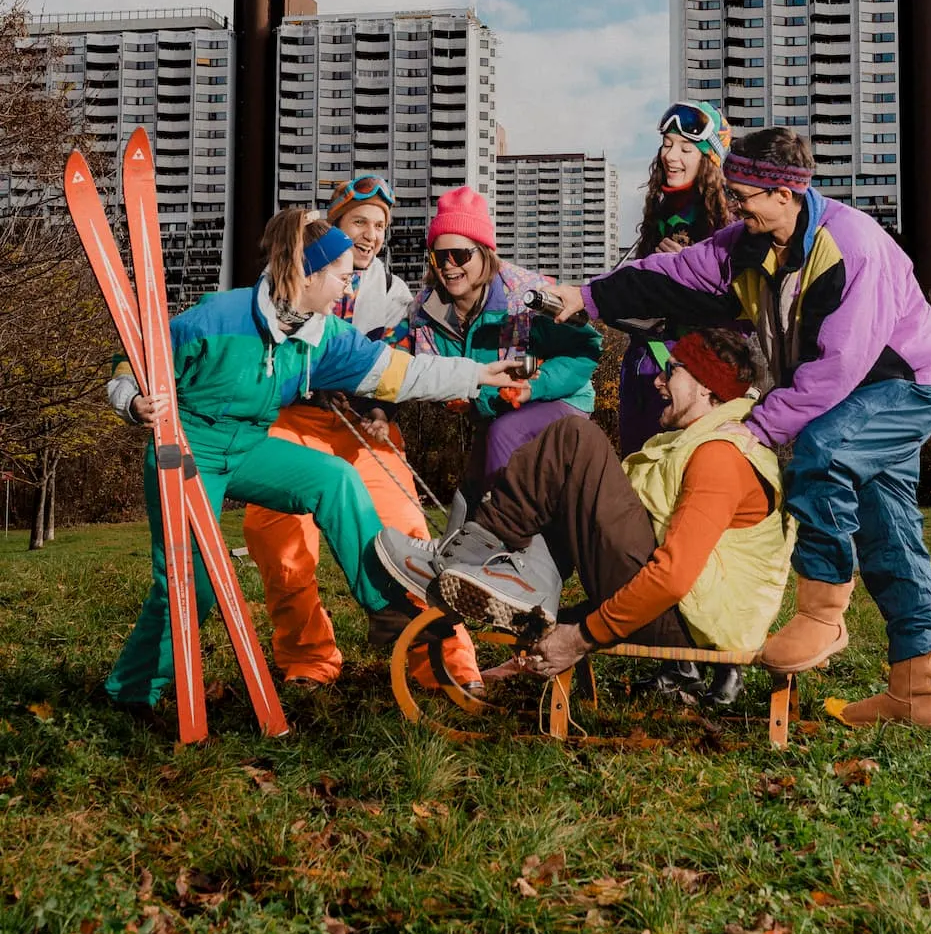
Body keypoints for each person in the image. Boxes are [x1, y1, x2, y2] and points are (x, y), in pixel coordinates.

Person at [544, 128, 931, 729]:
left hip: (899, 384)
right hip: (847, 390)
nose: (735, 208)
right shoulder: (749, 243)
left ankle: (823, 614)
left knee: (821, 451)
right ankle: (914, 693)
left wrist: (758, 425)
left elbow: (836, 370)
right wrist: (588, 297)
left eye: (744, 198)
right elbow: (673, 273)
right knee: (891, 530)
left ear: (786, 194)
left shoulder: (851, 246)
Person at [104, 208, 520, 711]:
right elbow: (137, 354)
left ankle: (385, 605)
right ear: (310, 274)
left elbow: (400, 372)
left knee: (336, 479)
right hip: (188, 447)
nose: (347, 291)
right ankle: (132, 690)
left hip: (251, 444)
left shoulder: (319, 334)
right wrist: (130, 398)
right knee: (193, 586)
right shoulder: (219, 317)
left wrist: (477, 374)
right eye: (342, 278)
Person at [375, 328, 793, 706]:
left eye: (673, 370)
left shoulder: (718, 456)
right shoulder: (691, 444)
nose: (658, 380)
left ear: (707, 389)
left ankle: (466, 555)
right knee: (567, 475)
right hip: (681, 614)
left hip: (687, 625)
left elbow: (672, 578)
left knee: (577, 439)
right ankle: (506, 569)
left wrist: (579, 637)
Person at [241, 176, 480, 694]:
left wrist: (379, 405)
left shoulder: (397, 295)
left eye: (379, 226)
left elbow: (406, 361)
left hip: (365, 431)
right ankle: (309, 657)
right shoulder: (291, 277)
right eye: (358, 223)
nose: (370, 235)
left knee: (407, 536)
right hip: (292, 421)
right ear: (333, 227)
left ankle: (447, 665)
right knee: (278, 538)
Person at [410, 187, 603, 493]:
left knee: (504, 438)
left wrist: (535, 385)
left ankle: (504, 536)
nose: (448, 265)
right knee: (472, 491)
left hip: (559, 401)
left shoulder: (527, 299)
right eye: (439, 256)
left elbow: (586, 349)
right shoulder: (424, 312)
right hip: (495, 413)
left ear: (485, 253)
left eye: (459, 255)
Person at [618, 102, 732, 454]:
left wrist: (684, 266)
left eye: (686, 148)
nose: (671, 155)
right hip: (642, 356)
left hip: (687, 368)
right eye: (667, 144)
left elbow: (732, 306)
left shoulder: (726, 221)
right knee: (636, 466)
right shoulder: (661, 211)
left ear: (709, 161)